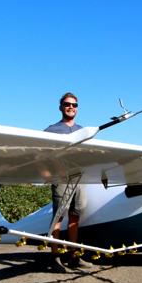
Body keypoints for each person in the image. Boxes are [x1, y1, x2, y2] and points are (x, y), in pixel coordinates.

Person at [44, 92, 96, 272]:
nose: (71, 107)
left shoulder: (84, 130)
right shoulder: (52, 130)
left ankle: (74, 256)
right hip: (61, 178)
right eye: (67, 104)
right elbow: (42, 154)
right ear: (61, 107)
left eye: (74, 105)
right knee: (59, 215)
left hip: (80, 177)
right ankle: (55, 257)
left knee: (75, 215)